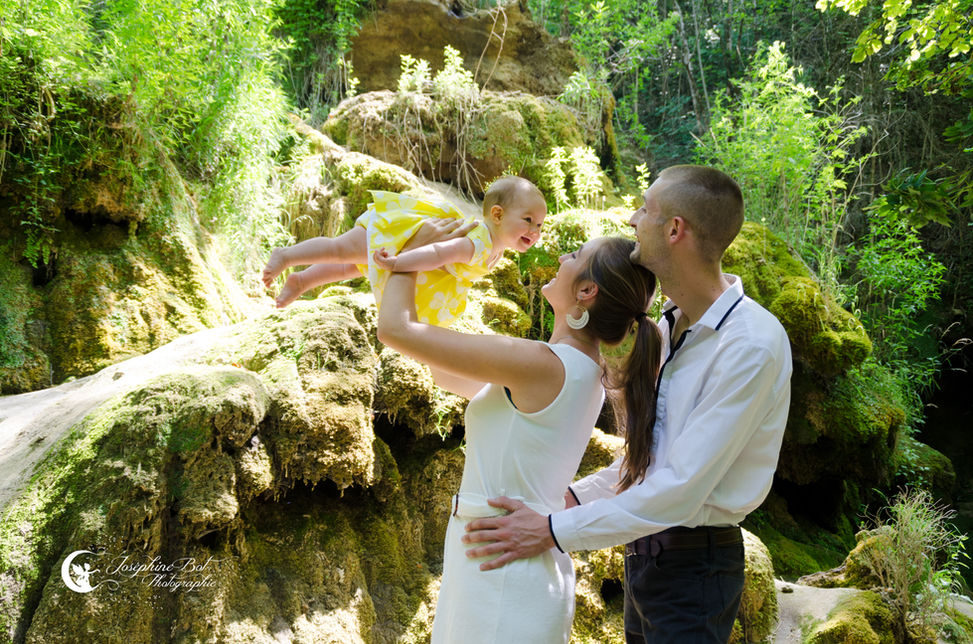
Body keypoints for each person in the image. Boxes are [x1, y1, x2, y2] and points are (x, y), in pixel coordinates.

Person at [461, 165, 793, 643]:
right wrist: (567, 499)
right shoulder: (668, 328)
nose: (634, 219)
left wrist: (553, 529)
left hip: (695, 570)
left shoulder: (750, 344)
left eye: (645, 209)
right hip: (645, 558)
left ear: (675, 229)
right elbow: (651, 459)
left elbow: (681, 488)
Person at [376, 236, 661, 644]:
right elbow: (441, 369)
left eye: (575, 255)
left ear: (586, 292)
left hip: (500, 572)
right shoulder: (575, 370)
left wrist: (412, 251)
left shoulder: (543, 365)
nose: (564, 256)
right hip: (499, 564)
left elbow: (395, 329)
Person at [261, 176, 546, 322]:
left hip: (407, 242)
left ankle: (303, 280)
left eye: (540, 225)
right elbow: (439, 254)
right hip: (399, 233)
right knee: (340, 250)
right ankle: (287, 255)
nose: (534, 231)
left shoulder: (497, 246)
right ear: (496, 215)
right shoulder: (478, 242)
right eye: (528, 221)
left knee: (352, 266)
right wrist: (398, 263)